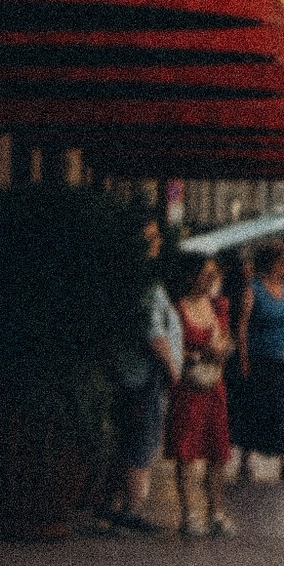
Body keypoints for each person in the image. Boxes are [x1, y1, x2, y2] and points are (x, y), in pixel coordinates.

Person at [103, 215, 181, 530]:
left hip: (133, 373)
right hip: (143, 376)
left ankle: (119, 503)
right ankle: (130, 509)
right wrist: (172, 367)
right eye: (151, 238)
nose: (158, 243)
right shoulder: (143, 283)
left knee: (133, 436)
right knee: (142, 439)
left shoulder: (133, 278)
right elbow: (153, 332)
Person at [167, 255, 236, 535]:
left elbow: (227, 340)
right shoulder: (178, 309)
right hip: (189, 387)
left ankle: (216, 511)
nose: (210, 279)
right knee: (186, 451)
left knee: (217, 452)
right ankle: (189, 513)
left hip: (214, 385)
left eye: (213, 274)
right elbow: (174, 349)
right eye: (205, 274)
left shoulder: (218, 306)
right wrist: (197, 355)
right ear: (191, 276)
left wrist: (223, 349)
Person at [237, 243, 284, 482]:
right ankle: (246, 457)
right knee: (256, 408)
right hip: (260, 358)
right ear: (271, 262)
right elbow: (242, 326)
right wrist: (244, 359)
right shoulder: (253, 289)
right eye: (283, 262)